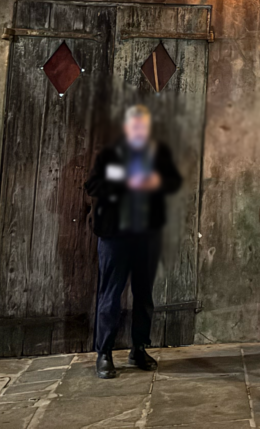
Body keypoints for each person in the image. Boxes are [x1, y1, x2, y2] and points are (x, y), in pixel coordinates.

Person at [85, 105, 182, 379]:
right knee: (110, 295)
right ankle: (104, 352)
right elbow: (92, 186)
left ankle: (138, 348)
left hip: (147, 236)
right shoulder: (109, 154)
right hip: (115, 236)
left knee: (144, 296)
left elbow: (173, 183)